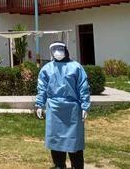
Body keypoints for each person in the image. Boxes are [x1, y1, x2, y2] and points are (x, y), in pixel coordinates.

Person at [35, 41, 91, 169]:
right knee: (56, 141)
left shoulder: (76, 67)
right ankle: (59, 165)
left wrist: (84, 106)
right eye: (54, 49)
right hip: (54, 110)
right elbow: (42, 88)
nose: (57, 52)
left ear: (66, 50)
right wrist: (39, 104)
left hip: (73, 110)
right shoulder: (47, 69)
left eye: (60, 48)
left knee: (74, 143)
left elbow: (83, 87)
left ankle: (77, 166)